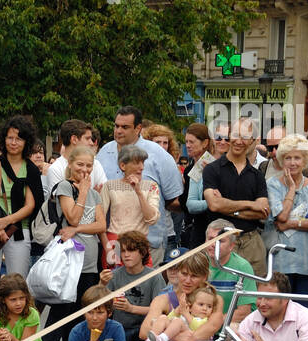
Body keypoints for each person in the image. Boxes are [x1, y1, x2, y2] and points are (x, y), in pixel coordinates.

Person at [42, 144, 105, 341]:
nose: (85, 169)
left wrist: (77, 230)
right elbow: (73, 217)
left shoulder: (96, 194)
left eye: (89, 165)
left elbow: (101, 225)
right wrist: (84, 191)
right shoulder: (65, 187)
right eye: (80, 164)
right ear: (70, 164)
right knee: (61, 309)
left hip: (89, 261)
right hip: (69, 260)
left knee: (81, 311)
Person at [96, 107, 184, 258]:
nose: (118, 131)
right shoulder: (104, 152)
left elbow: (174, 200)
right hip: (113, 244)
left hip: (148, 243)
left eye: (125, 127)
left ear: (138, 128)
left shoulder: (159, 155)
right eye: (116, 126)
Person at [201, 116, 269, 275]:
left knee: (254, 292)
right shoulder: (212, 169)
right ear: (230, 135)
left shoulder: (257, 175)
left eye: (245, 137)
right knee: (219, 292)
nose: (239, 141)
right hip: (221, 241)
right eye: (236, 135)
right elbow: (214, 205)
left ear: (252, 141)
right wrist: (250, 204)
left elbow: (263, 212)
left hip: (251, 243)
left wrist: (227, 207)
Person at [266, 134, 308, 305]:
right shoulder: (273, 184)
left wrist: (292, 224)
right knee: (279, 313)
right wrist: (291, 188)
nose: (292, 163)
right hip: (280, 262)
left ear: (305, 160)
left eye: (297, 158)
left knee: (306, 314)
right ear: (281, 160)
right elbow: (281, 216)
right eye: (288, 158)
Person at [0, 115, 42, 298]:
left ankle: (16, 327)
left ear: (26, 141)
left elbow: (31, 205)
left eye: (18, 138)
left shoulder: (31, 170)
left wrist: (6, 221)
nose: (13, 142)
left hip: (19, 230)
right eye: (10, 137)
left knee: (18, 284)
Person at [97, 230, 160, 341]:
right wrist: (101, 284)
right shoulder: (114, 275)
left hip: (144, 328)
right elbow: (97, 305)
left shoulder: (154, 277)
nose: (126, 255)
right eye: (123, 251)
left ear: (142, 253)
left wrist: (131, 308)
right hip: (119, 328)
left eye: (131, 251)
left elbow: (160, 311)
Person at [99, 144, 160, 268]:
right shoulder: (109, 186)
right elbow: (100, 221)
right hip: (115, 242)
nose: (141, 167)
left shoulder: (151, 186)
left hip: (139, 242)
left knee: (142, 283)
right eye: (137, 163)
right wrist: (108, 248)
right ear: (123, 165)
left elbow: (152, 219)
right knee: (114, 283)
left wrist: (139, 192)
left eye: (143, 163)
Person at [203, 218, 257, 325]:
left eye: (220, 241)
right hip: (200, 323)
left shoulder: (242, 267)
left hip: (229, 324)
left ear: (231, 246)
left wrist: (210, 325)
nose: (214, 244)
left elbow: (243, 312)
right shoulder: (199, 263)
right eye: (210, 239)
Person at [139, 284, 217, 341]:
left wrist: (185, 313)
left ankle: (162, 339)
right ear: (190, 307)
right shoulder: (186, 316)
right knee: (163, 318)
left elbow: (196, 327)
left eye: (209, 306)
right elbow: (169, 319)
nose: (205, 308)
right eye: (201, 304)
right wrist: (177, 311)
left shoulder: (206, 320)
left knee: (178, 322)